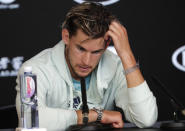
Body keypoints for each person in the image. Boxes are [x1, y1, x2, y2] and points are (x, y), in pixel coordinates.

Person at [15, 2, 158, 131]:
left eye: (96, 52)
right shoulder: (34, 69)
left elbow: (146, 119)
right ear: (66, 37)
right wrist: (95, 116)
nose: (87, 61)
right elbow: (29, 120)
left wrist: (127, 55)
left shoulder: (116, 65)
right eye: (81, 49)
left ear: (107, 45)